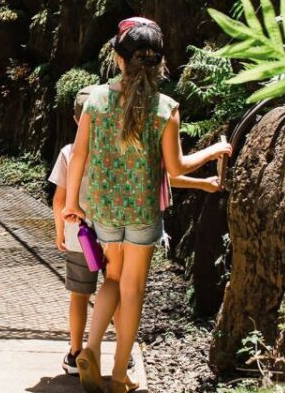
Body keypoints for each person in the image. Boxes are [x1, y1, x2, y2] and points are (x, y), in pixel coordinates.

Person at [62, 17, 232, 393]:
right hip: (141, 211)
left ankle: (90, 349)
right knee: (133, 289)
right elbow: (176, 168)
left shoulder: (95, 100)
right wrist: (214, 150)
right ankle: (119, 375)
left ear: (118, 59)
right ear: (159, 63)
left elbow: (79, 155)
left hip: (104, 208)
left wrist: (71, 202)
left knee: (112, 279)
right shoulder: (165, 108)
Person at [50, 85, 222, 377]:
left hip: (84, 231)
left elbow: (60, 197)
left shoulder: (75, 145)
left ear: (78, 118)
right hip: (128, 219)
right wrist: (205, 175)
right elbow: (168, 172)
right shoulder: (140, 124)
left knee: (88, 292)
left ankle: (79, 351)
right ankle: (122, 358)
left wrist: (63, 223)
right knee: (125, 288)